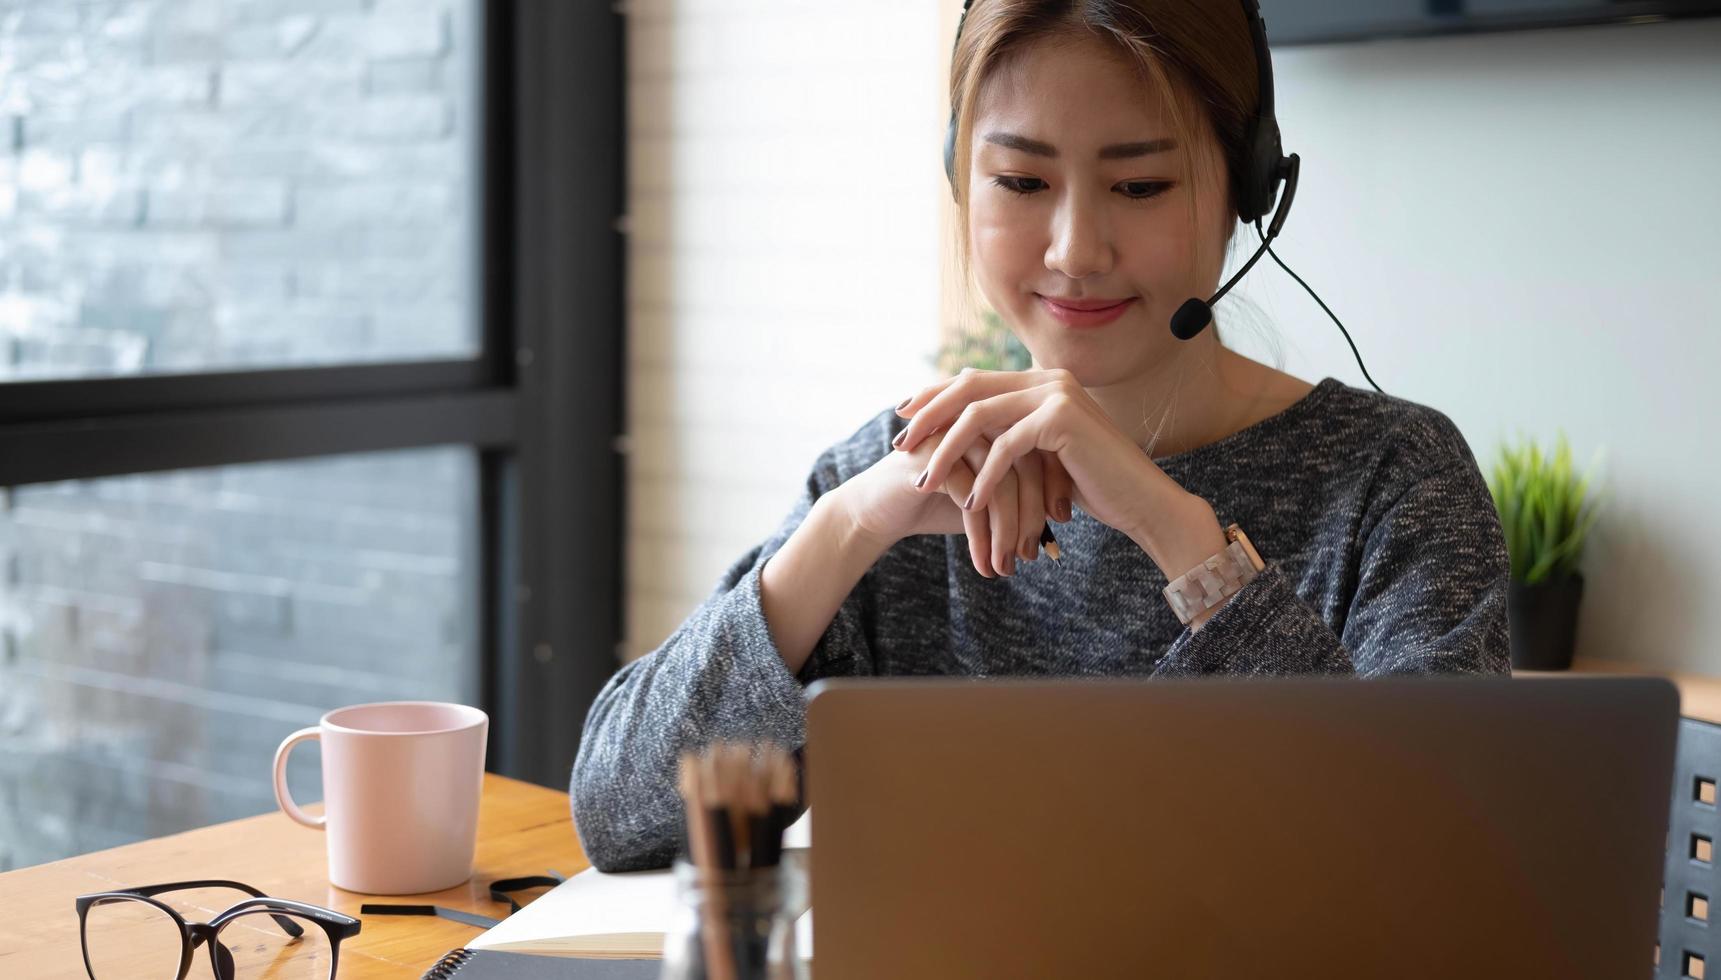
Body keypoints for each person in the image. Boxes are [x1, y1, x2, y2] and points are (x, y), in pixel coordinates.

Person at [571, 0, 1510, 873]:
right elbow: (619, 815)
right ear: (958, 183)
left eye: (1139, 185)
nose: (1073, 249)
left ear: (1248, 188)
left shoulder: (1393, 481)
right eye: (1020, 180)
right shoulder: (897, 478)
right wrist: (845, 528)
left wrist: (1177, 535)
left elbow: (1432, 864)